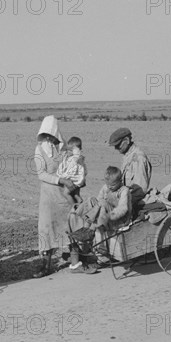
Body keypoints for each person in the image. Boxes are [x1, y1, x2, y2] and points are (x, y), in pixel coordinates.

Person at [33, 116, 76, 278]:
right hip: (48, 196)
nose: (48, 138)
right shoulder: (40, 150)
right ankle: (45, 266)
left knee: (68, 225)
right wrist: (60, 179)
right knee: (46, 228)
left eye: (50, 135)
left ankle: (75, 261)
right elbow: (41, 174)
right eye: (46, 135)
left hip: (63, 194)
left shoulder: (63, 148)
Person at [68, 166, 132, 272]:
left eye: (112, 185)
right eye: (108, 184)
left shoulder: (124, 191)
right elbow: (98, 201)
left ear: (120, 181)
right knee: (92, 200)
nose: (109, 187)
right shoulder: (105, 188)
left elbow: (123, 209)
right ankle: (84, 224)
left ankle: (91, 230)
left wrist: (109, 216)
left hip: (119, 220)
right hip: (104, 216)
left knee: (102, 204)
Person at [108, 127, 152, 209]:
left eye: (118, 145)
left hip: (132, 203)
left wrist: (121, 201)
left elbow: (140, 191)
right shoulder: (128, 156)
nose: (116, 148)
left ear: (127, 140)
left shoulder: (139, 159)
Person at [57, 136, 87, 203]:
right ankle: (79, 201)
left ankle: (73, 207)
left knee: (66, 193)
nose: (68, 152)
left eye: (71, 150)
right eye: (68, 150)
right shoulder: (74, 158)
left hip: (75, 180)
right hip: (79, 179)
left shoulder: (76, 158)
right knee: (76, 194)